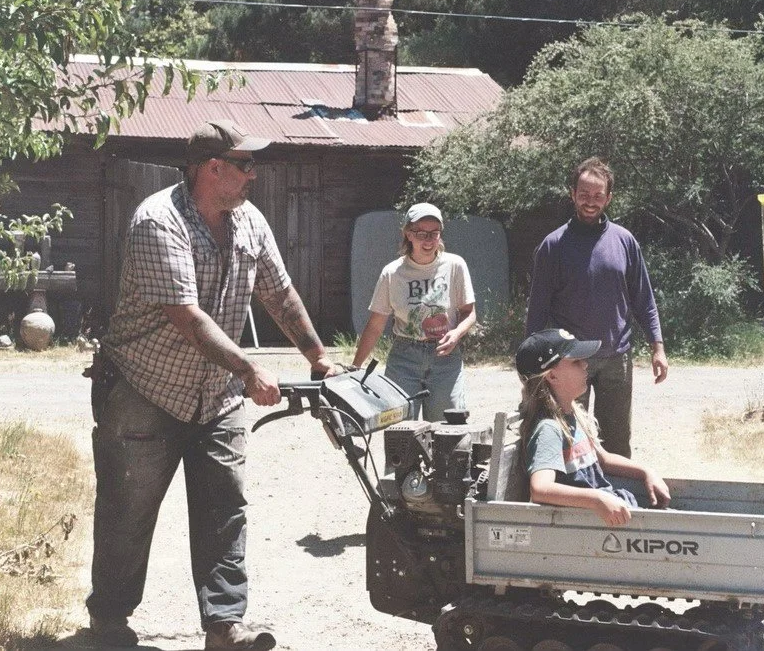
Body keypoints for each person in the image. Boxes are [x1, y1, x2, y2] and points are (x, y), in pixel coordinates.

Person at [87, 119, 339, 650]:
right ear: (213, 167)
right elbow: (188, 317)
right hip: (144, 389)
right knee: (127, 511)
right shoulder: (159, 221)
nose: (254, 174)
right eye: (245, 165)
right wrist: (249, 370)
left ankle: (225, 627)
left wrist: (319, 357)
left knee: (225, 509)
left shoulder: (249, 221)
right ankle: (109, 620)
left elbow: (280, 293)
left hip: (215, 396)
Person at [525, 156, 668, 458]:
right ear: (573, 194)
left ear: (609, 197)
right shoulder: (553, 245)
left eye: (598, 195)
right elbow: (537, 308)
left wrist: (658, 347)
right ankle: (573, 500)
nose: (591, 202)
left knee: (617, 442)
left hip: (617, 358)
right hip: (570, 360)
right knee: (569, 441)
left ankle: (619, 499)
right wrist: (533, 366)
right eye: (584, 194)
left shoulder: (624, 241)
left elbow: (644, 298)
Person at [515, 329, 671, 526]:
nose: (586, 364)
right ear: (552, 376)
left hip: (606, 511)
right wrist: (596, 500)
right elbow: (540, 488)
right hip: (590, 524)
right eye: (576, 362)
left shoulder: (572, 415)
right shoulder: (549, 428)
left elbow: (604, 460)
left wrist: (646, 471)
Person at [352, 202, 476, 421]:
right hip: (404, 358)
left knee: (447, 430)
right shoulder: (392, 273)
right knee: (400, 434)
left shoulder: (455, 266)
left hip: (445, 358)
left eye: (434, 233)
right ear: (408, 234)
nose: (428, 240)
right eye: (421, 233)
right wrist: (355, 367)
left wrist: (456, 334)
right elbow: (375, 325)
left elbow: (469, 312)